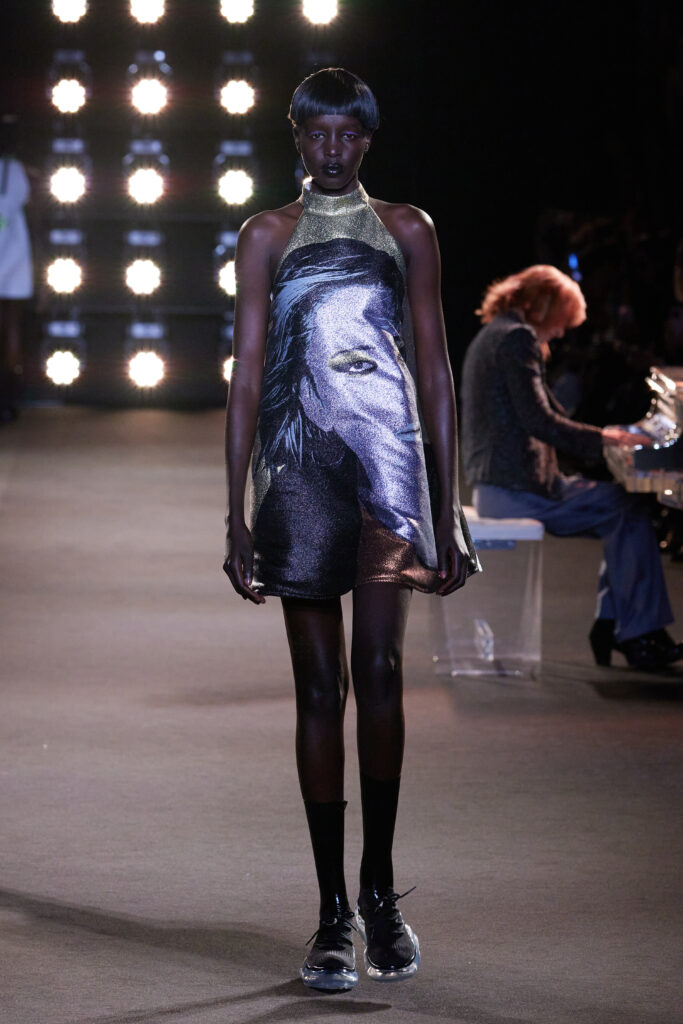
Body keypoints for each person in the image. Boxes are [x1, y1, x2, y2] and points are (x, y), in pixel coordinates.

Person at [223, 68, 479, 991]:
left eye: (348, 135)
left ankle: (379, 894)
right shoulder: (265, 234)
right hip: (297, 470)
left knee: (379, 670)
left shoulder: (407, 229)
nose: (332, 149)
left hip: (388, 464)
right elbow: (247, 372)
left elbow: (434, 367)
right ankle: (332, 908)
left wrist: (448, 504)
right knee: (318, 687)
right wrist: (233, 511)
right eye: (318, 133)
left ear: (366, 140)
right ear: (296, 136)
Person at [460, 264, 682, 671]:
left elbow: (547, 414)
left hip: (503, 484)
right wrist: (606, 439)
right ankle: (635, 634)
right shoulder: (517, 338)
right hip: (516, 489)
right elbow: (539, 421)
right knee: (626, 508)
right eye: (561, 321)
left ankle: (619, 626)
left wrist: (608, 436)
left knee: (622, 507)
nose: (562, 332)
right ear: (543, 305)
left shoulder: (497, 332)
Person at [0, 114, 33, 419]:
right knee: (10, 330)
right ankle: (8, 401)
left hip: (12, 257)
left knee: (11, 331)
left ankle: (8, 399)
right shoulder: (16, 171)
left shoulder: (15, 170)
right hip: (13, 257)